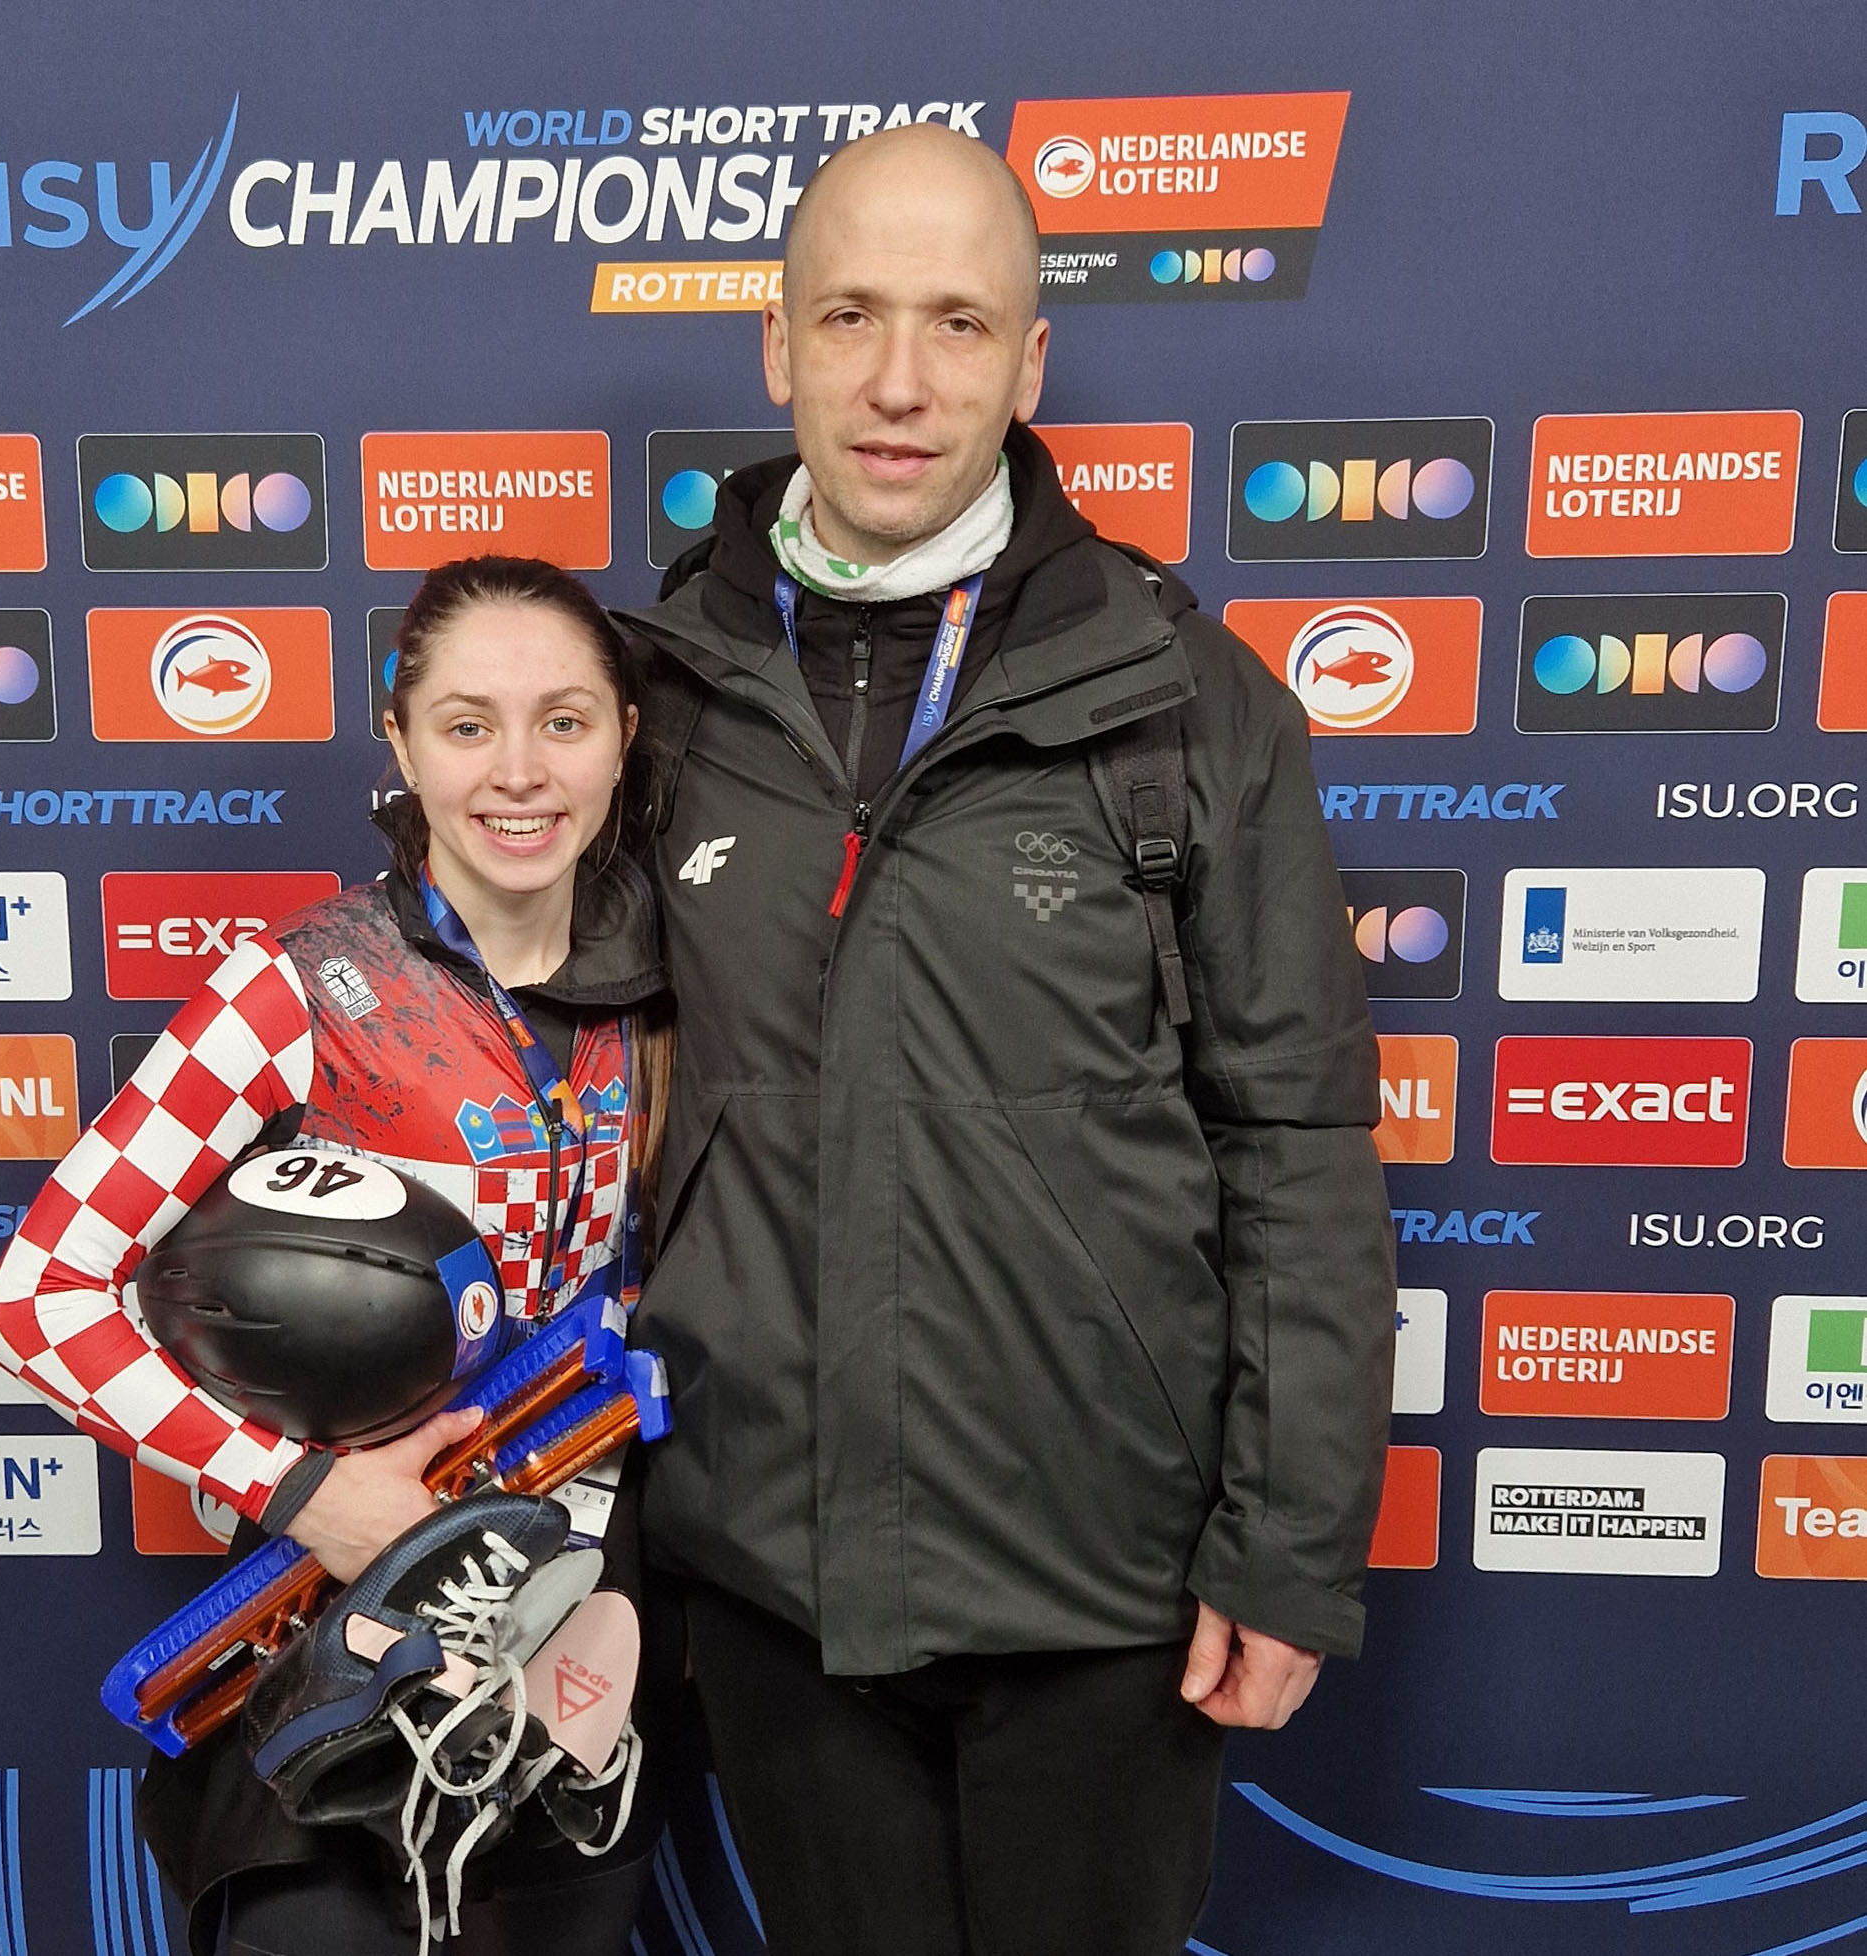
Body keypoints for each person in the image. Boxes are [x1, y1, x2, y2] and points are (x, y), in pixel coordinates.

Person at [618, 122, 1397, 1956]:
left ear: (1029, 362)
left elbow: (1294, 1146)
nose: (899, 382)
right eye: (850, 316)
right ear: (776, 346)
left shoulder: (1184, 700)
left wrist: (1287, 1550)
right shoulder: (650, 697)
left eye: (958, 323)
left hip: (1101, 1590)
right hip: (769, 1577)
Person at [0, 556, 671, 1956]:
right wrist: (301, 1491)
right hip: (343, 1615)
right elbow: (35, 1301)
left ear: (623, 740)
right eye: (468, 725)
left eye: (564, 721)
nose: (519, 772)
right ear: (400, 744)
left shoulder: (679, 986)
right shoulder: (298, 985)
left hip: (582, 1621)